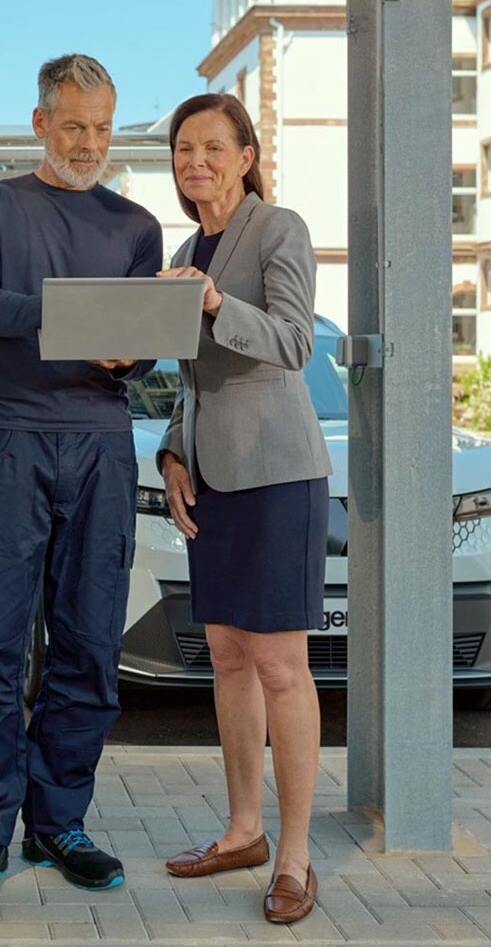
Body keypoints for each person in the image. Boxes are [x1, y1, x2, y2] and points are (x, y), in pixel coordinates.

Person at [0, 54, 163, 906]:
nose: (90, 143)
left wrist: (126, 338)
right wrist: (79, 316)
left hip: (101, 440)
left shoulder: (136, 226)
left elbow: (139, 342)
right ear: (40, 123)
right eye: (74, 125)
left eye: (104, 128)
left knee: (90, 642)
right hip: (10, 441)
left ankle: (58, 822)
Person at [156, 93, 331, 926]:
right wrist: (170, 451)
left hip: (278, 475)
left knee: (279, 666)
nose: (196, 162)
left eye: (212, 147)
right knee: (226, 656)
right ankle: (242, 832)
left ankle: (296, 857)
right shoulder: (189, 247)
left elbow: (296, 341)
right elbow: (187, 379)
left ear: (246, 153)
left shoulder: (279, 230)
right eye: (184, 149)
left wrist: (219, 305)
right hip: (213, 477)